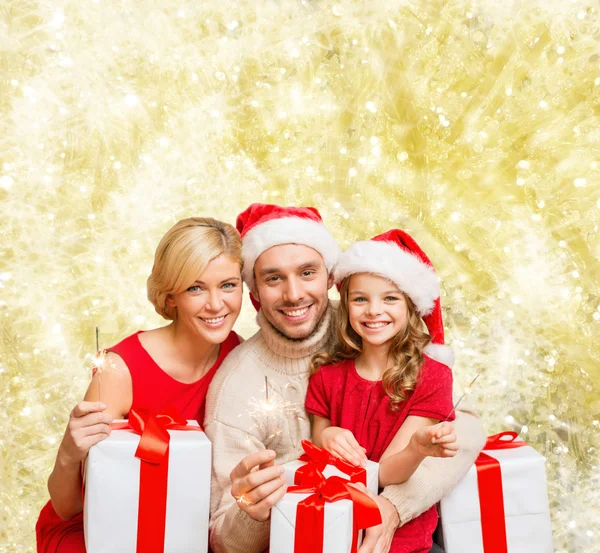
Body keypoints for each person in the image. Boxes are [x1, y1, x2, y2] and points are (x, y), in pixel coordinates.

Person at [205, 204, 486, 553]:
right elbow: (223, 539)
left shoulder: (373, 326)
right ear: (255, 292)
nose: (294, 294)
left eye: (307, 272)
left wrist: (393, 507)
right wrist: (254, 511)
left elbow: (467, 426)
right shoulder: (238, 384)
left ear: (329, 276)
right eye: (274, 278)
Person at [36, 217, 244, 553]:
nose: (216, 304)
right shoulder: (119, 370)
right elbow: (68, 508)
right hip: (101, 527)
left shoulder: (239, 355)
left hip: (181, 525)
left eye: (228, 285)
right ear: (170, 295)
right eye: (195, 287)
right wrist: (67, 454)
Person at [307, 229, 459, 553]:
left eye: (390, 298)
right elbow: (315, 446)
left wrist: (416, 449)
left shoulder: (432, 378)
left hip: (403, 543)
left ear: (411, 306)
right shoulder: (326, 376)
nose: (374, 310)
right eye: (360, 298)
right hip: (332, 534)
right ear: (345, 305)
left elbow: (388, 474)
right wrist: (328, 435)